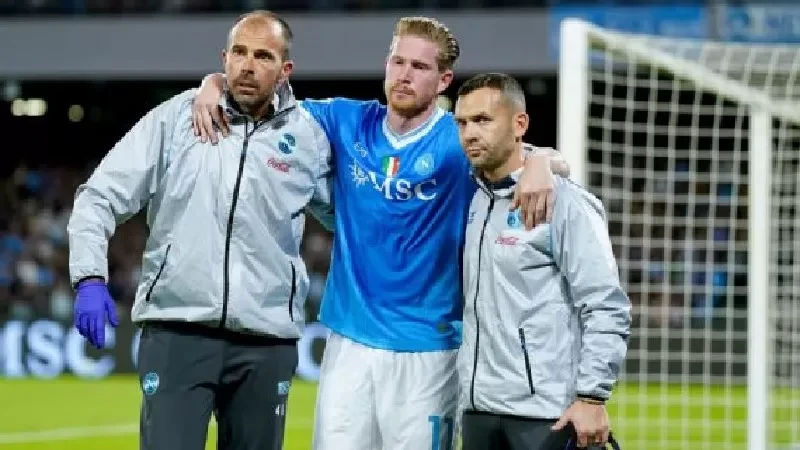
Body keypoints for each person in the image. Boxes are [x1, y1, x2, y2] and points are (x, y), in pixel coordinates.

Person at [191, 17, 569, 450]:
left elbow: (535, 158)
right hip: (349, 344)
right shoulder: (346, 120)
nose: (404, 75)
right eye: (397, 62)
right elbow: (270, 101)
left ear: (444, 80)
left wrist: (541, 162)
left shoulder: (458, 141)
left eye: (419, 67)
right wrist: (213, 83)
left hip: (429, 350)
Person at [67, 11, 333, 450]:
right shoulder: (177, 119)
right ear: (223, 58)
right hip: (178, 331)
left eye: (263, 56)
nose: (248, 66)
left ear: (285, 70)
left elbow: (353, 220)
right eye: (239, 53)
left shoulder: (309, 139)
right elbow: (98, 196)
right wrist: (90, 277)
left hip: (266, 342)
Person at [454, 72, 631, 450]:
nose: (470, 133)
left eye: (483, 120)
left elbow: (605, 303)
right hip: (478, 409)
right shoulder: (474, 198)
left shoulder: (565, 202)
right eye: (462, 123)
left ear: (520, 124)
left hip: (545, 413)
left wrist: (592, 396)